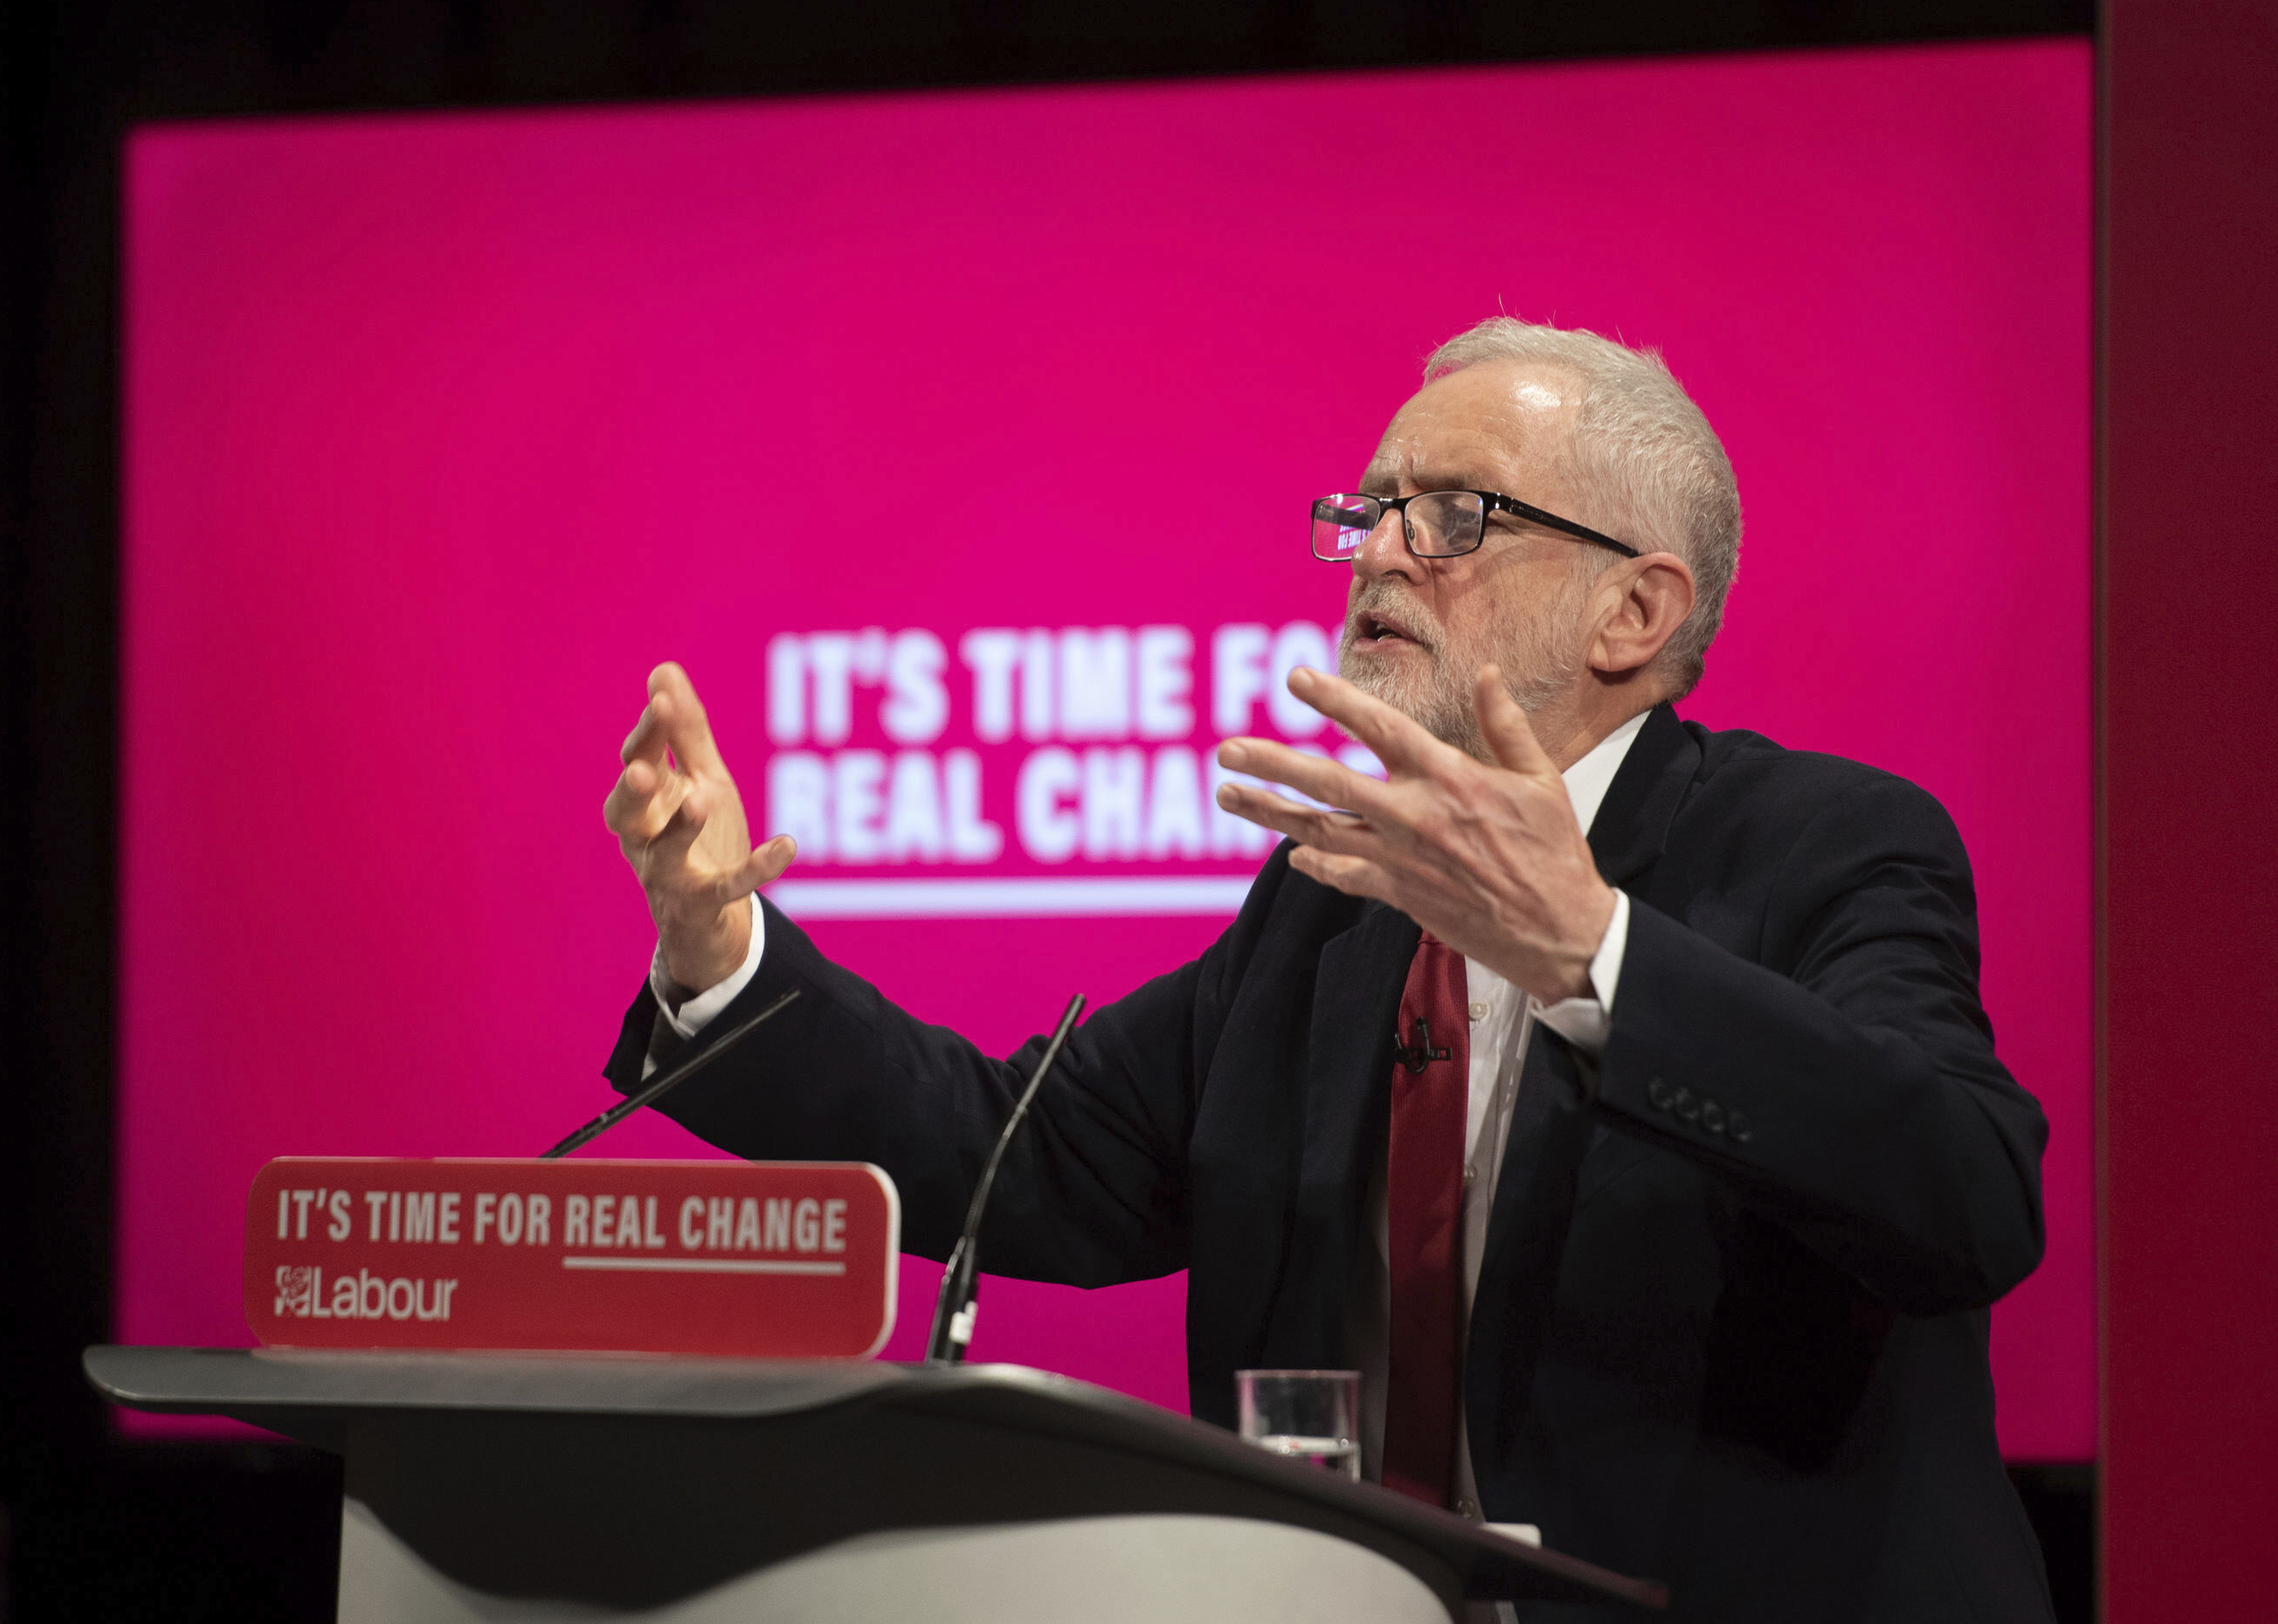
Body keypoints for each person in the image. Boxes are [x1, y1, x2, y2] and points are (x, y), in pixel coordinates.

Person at [598, 319, 2054, 1621]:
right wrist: (718, 952)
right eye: (1369, 512)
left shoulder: (1827, 849)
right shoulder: (1327, 914)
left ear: (1637, 613)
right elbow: (1010, 1148)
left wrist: (1596, 954)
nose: (1374, 552)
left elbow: (1965, 1192)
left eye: (1454, 517)